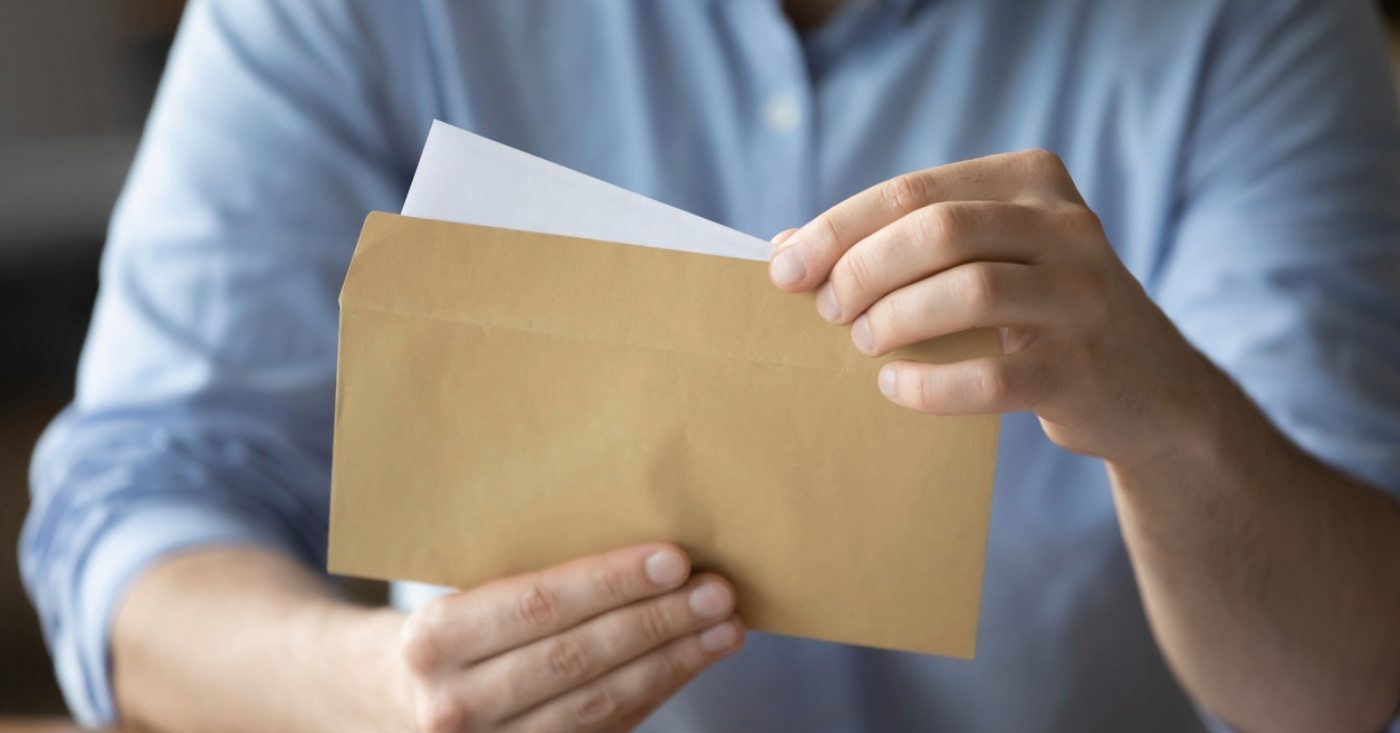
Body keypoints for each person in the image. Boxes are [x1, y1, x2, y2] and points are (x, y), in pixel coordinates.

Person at [19, 0, 1400, 731]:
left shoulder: (1250, 23)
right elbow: (143, 493)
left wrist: (1174, 428)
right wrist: (376, 693)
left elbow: (1347, 677)